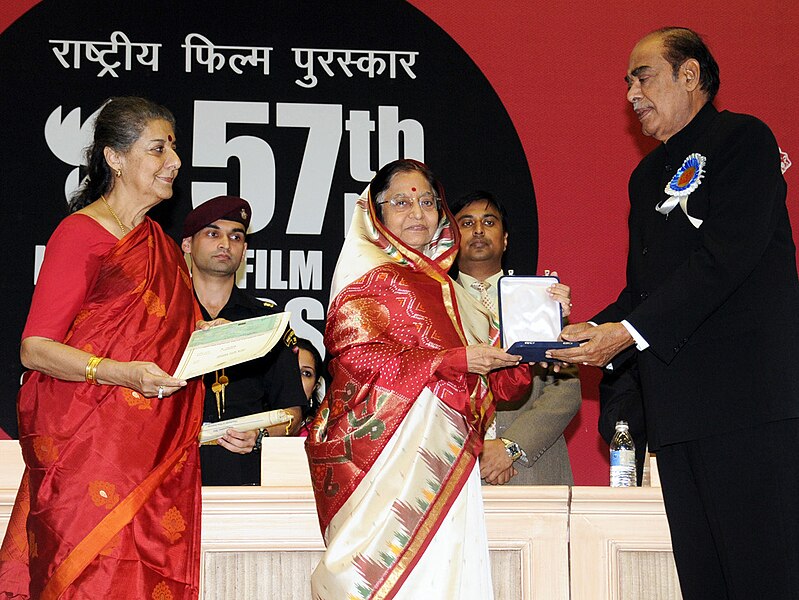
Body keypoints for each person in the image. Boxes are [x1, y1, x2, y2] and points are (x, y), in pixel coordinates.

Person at [549, 27, 799, 599]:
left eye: (643, 75)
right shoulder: (645, 176)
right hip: (680, 413)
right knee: (705, 580)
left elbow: (725, 258)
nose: (631, 92)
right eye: (627, 81)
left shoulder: (743, 140)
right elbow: (646, 290)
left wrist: (626, 333)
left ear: (690, 77)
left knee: (766, 575)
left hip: (747, 406)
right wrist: (589, 330)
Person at [0, 97, 204, 598]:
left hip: (153, 459)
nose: (174, 162)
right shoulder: (80, 235)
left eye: (173, 149)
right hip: (87, 453)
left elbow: (180, 353)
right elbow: (35, 349)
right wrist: (120, 373)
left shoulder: (161, 246)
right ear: (114, 158)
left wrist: (219, 427)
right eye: (158, 149)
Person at [306, 159, 532, 599]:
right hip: (381, 458)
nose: (417, 213)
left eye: (427, 202)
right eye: (401, 202)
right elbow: (358, 360)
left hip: (445, 459)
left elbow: (505, 385)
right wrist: (449, 361)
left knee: (446, 577)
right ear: (376, 211)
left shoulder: (446, 288)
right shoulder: (365, 273)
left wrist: (533, 330)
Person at [449, 191, 582, 485]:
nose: (479, 230)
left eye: (489, 221)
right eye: (467, 223)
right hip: (455, 475)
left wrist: (510, 446)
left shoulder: (541, 298)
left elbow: (565, 391)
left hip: (531, 471)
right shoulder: (433, 304)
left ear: (505, 239)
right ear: (451, 238)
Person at [181, 195, 306, 485]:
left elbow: (292, 411)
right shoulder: (161, 316)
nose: (225, 244)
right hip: (170, 478)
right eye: (213, 234)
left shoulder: (266, 322)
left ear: (245, 249)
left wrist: (260, 435)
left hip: (245, 475)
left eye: (235, 236)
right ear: (187, 244)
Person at [294, 337, 325, 437]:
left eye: (306, 373)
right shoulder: (250, 431)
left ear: (314, 387)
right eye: (290, 370)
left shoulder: (321, 435)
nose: (297, 379)